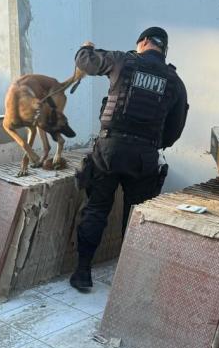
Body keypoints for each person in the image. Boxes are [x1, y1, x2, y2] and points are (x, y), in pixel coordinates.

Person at [70, 27, 189, 291]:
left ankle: (82, 273)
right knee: (136, 217)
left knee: (96, 209)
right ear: (164, 49)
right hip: (144, 158)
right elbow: (175, 129)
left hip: (109, 151)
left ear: (143, 42)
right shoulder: (174, 81)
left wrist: (86, 47)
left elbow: (84, 61)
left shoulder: (122, 60)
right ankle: (128, 281)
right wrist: (152, 144)